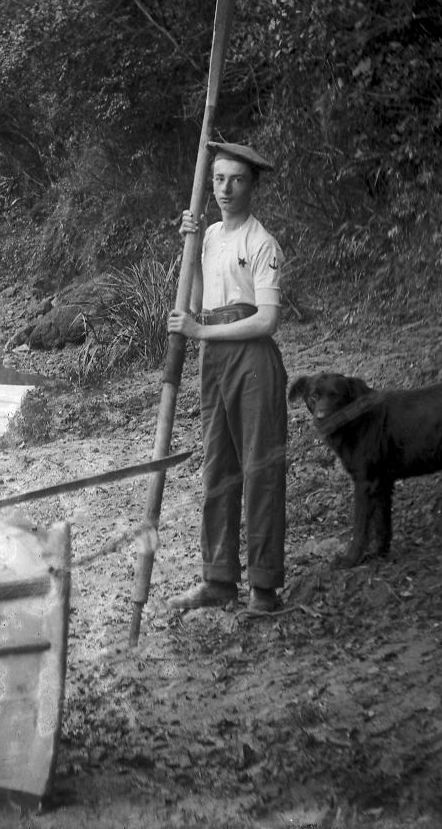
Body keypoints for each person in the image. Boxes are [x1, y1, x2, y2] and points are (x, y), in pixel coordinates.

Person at [165, 141, 288, 614]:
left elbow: (267, 320)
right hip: (213, 358)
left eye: (236, 179)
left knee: (260, 469)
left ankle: (264, 587)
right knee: (218, 467)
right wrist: (191, 251)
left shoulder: (262, 244)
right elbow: (196, 303)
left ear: (252, 185)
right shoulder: (211, 235)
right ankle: (218, 579)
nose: (225, 189)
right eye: (218, 179)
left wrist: (200, 330)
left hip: (252, 360)